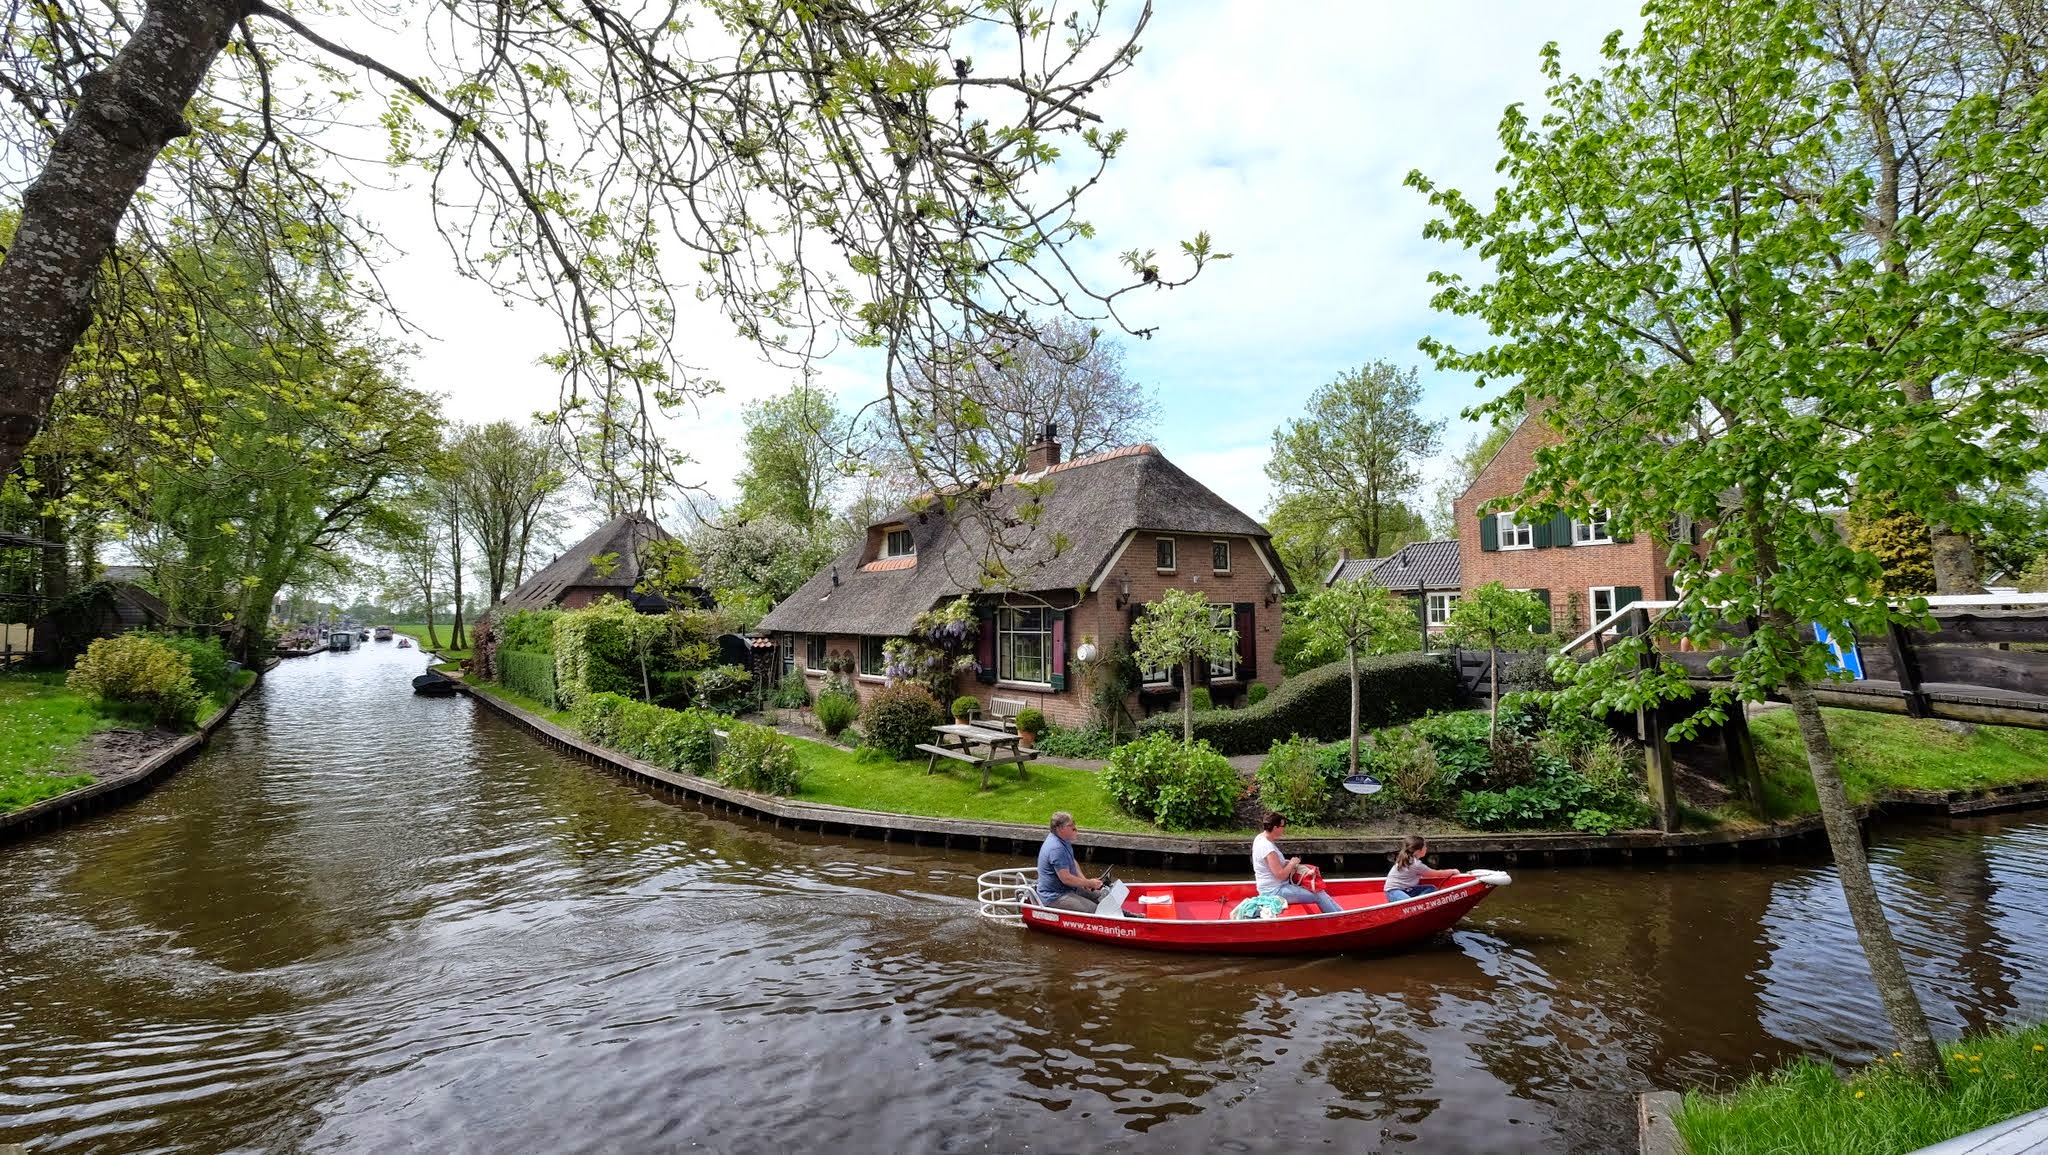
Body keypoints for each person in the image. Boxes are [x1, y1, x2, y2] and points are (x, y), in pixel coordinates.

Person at [1252, 813, 1342, 915]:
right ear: (1275, 827)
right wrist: (1292, 863)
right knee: (1318, 894)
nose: (1284, 829)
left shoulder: (1260, 838)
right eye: (1283, 826)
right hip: (1275, 891)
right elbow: (1280, 875)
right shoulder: (1267, 848)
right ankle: (1340, 918)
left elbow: (1270, 864)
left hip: (1273, 888)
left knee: (1317, 890)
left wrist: (1287, 863)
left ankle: (1340, 913)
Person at [1036, 811, 1109, 912]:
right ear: (1059, 828)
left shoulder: (1064, 840)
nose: (1075, 828)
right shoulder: (1056, 848)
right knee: (1093, 909)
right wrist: (1089, 883)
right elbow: (1066, 879)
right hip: (1055, 895)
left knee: (1104, 898)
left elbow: (1072, 861)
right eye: (1071, 825)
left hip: (1069, 888)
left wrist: (1085, 882)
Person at [1384, 834, 1457, 901]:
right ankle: (1416, 904)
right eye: (1425, 846)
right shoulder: (1415, 864)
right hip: (1393, 891)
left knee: (1431, 889)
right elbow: (1436, 873)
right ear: (1419, 850)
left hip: (1408, 889)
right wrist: (1453, 871)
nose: (1426, 848)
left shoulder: (1407, 859)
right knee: (1409, 903)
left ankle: (1418, 903)